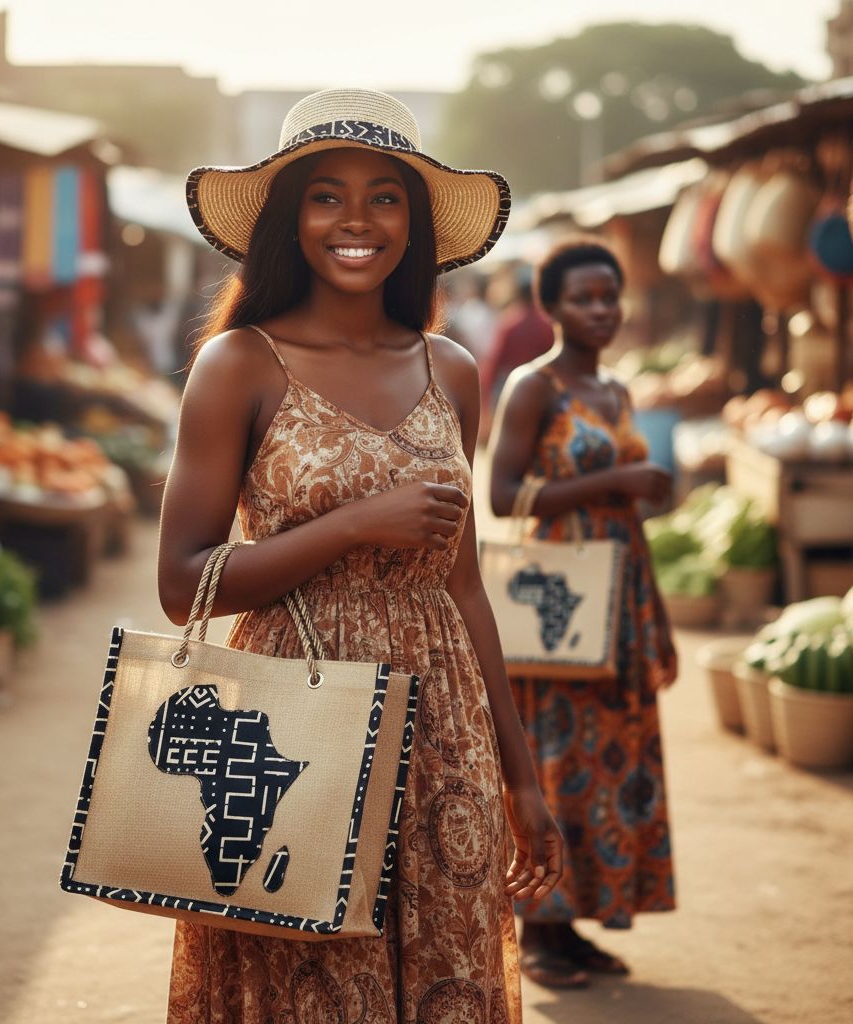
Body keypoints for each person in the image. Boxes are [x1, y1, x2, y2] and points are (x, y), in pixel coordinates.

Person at [157, 89, 564, 1023]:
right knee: (310, 989)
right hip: (294, 728)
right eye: (325, 196)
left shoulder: (451, 368)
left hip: (442, 733)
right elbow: (184, 586)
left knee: (443, 976)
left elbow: (465, 588)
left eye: (385, 197)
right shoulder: (240, 365)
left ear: (414, 225)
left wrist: (521, 775)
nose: (355, 221)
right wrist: (353, 524)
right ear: (291, 220)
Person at [488, 238, 677, 990]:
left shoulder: (619, 392)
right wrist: (618, 479)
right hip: (560, 602)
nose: (600, 310)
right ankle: (539, 929)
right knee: (558, 757)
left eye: (609, 297)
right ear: (552, 307)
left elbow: (633, 517)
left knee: (615, 759)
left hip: (625, 594)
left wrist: (657, 616)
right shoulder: (534, 387)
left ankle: (578, 926)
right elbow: (504, 497)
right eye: (583, 298)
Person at [480, 270, 555, 411]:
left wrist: (486, 392)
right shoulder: (547, 324)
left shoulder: (510, 322)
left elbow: (495, 360)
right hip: (542, 390)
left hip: (511, 387)